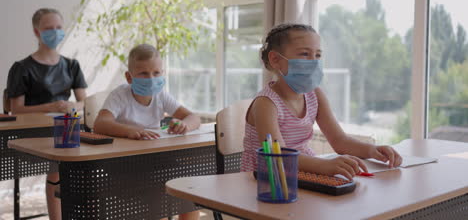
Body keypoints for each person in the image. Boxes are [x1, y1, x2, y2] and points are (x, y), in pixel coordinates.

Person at [240, 23, 402, 180]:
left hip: (302, 174)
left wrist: (373, 150)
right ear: (275, 59)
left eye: (318, 55)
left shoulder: (314, 94)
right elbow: (279, 155)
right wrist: (326, 166)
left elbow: (340, 141)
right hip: (267, 181)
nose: (314, 62)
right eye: (304, 54)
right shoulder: (266, 103)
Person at [94, 44, 201, 220]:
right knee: (156, 191)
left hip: (156, 158)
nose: (151, 78)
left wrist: (184, 125)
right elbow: (100, 123)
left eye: (156, 73)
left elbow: (192, 117)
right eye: (143, 73)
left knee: (190, 185)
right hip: (124, 163)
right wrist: (129, 130)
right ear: (129, 77)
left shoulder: (161, 95)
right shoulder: (120, 95)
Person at [6, 8, 88, 219]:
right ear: (37, 32)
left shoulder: (72, 65)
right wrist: (49, 107)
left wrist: (71, 107)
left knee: (77, 161)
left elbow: (84, 102)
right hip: (33, 131)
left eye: (59, 28)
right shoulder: (22, 68)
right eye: (48, 28)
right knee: (58, 165)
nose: (55, 32)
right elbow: (16, 109)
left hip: (65, 127)